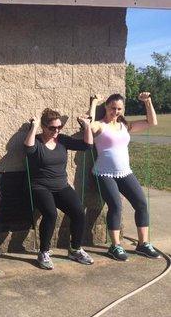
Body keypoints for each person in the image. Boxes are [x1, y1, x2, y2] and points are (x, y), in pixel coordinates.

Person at [89, 92, 160, 260]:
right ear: (106, 107)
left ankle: (142, 245)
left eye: (119, 108)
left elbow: (152, 122)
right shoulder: (100, 125)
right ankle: (115, 247)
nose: (116, 111)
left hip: (124, 172)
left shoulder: (125, 126)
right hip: (103, 173)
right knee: (115, 205)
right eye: (113, 108)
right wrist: (93, 103)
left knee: (141, 203)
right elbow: (88, 125)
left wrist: (147, 102)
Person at [24, 108, 94, 270]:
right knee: (51, 214)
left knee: (78, 212)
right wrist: (34, 127)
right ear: (44, 126)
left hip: (61, 186)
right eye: (52, 128)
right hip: (40, 187)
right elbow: (28, 149)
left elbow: (87, 146)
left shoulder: (62, 140)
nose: (56, 131)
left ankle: (75, 249)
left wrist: (87, 126)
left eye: (59, 127)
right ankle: (43, 252)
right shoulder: (36, 141)